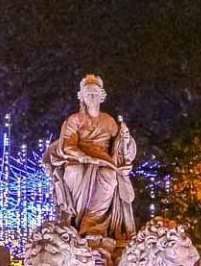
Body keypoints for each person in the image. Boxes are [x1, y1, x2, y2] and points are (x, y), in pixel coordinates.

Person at [43, 74, 137, 242]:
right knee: (73, 172)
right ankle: (77, 223)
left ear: (102, 96)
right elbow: (67, 146)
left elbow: (120, 149)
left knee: (109, 176)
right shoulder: (74, 120)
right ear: (82, 96)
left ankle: (92, 224)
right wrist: (87, 158)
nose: (92, 96)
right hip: (79, 159)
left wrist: (127, 140)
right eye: (88, 93)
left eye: (95, 92)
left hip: (105, 161)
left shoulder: (109, 121)